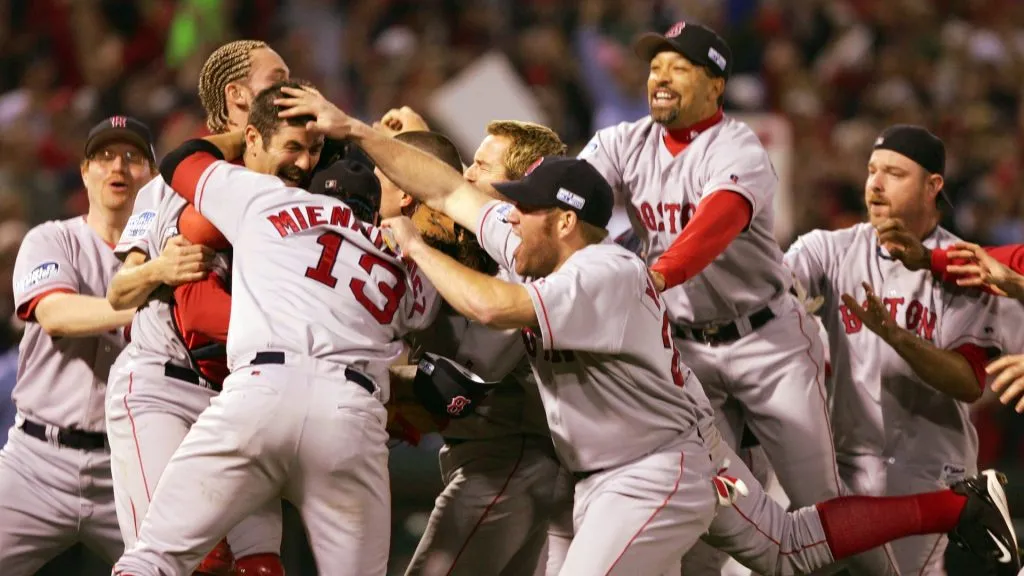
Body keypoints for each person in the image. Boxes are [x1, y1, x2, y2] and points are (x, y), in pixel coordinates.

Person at [275, 85, 1024, 576]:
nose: (507, 215)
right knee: (786, 549)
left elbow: (493, 308)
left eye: (524, 206)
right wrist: (356, 130)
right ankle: (959, 506)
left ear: (566, 219)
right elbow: (447, 187)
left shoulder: (603, 273)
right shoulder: (541, 241)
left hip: (650, 470)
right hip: (672, 453)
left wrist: (408, 244)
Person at [112, 82, 440, 576]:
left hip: (259, 392)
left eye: (313, 154)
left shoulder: (266, 196)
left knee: (155, 557)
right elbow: (421, 317)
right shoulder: (405, 255)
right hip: (350, 411)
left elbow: (180, 159)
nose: (303, 164)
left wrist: (246, 132)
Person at [574, 20, 852, 569]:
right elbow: (571, 196)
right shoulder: (622, 141)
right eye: (656, 66)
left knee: (819, 506)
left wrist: (650, 276)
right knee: (706, 515)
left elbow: (713, 227)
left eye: (679, 67)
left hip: (766, 341)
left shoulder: (738, 146)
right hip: (688, 352)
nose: (660, 76)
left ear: (715, 84)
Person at [784, 124, 1024, 574]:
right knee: (777, 558)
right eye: (872, 170)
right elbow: (773, 291)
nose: (875, 183)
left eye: (894, 172)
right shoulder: (831, 249)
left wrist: (897, 336)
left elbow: (969, 381)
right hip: (844, 462)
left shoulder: (968, 266)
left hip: (930, 470)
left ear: (934, 186)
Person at [104, 41, 293, 575]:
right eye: (277, 78)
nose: (293, 87)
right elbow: (120, 292)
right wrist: (158, 269)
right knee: (182, 563)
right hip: (163, 388)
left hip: (242, 394)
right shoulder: (172, 181)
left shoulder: (284, 180)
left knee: (261, 566)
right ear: (237, 95)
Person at [375, 120, 571, 576]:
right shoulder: (474, 244)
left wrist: (359, 381)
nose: (464, 176)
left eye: (480, 166)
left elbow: (454, 386)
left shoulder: (523, 266)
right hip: (496, 457)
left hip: (509, 461)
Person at [0, 116, 157, 575]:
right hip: (37, 461)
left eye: (133, 157)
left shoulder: (167, 254)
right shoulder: (52, 238)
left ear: (150, 176)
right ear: (85, 171)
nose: (119, 167)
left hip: (127, 467)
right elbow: (55, 315)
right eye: (106, 156)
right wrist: (149, 309)